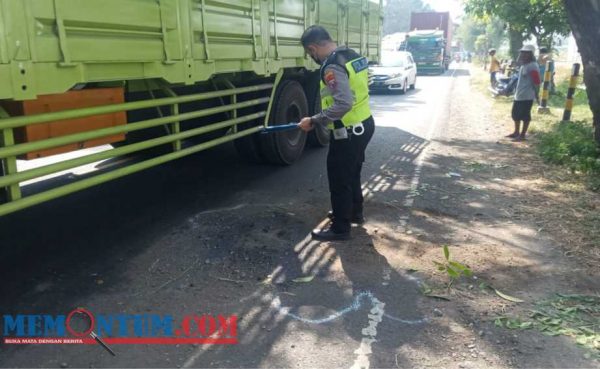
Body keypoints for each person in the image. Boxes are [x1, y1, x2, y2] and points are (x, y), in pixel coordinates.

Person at [297, 25, 375, 241]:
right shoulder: (352, 55)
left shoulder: (331, 66)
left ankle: (340, 228)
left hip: (349, 130)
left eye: (310, 53)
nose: (312, 57)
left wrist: (314, 120)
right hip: (365, 123)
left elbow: (343, 103)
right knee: (352, 172)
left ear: (313, 48)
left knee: (339, 177)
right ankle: (353, 213)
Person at [507, 45, 541, 141]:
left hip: (527, 96)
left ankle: (522, 135)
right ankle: (516, 132)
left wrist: (537, 94)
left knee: (525, 115)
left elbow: (537, 81)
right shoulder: (524, 65)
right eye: (522, 53)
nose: (523, 55)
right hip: (519, 94)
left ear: (531, 54)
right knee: (515, 114)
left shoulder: (532, 66)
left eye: (526, 53)